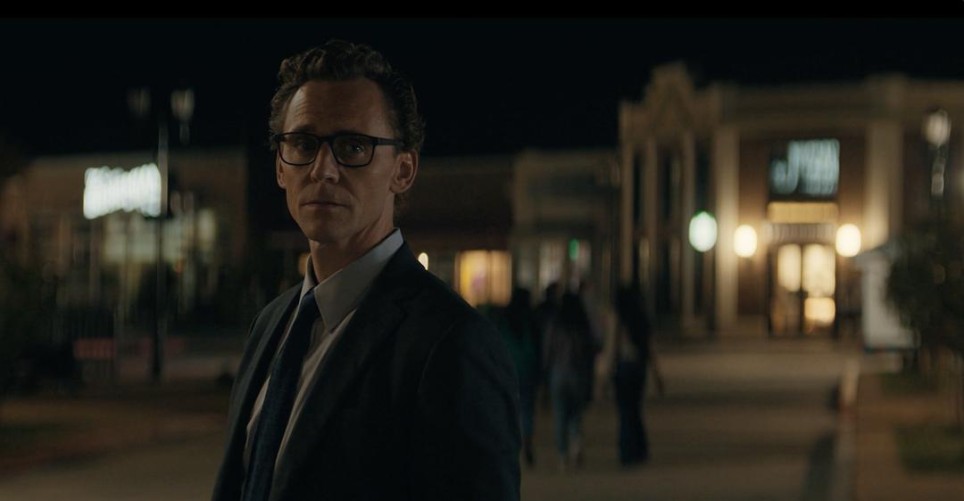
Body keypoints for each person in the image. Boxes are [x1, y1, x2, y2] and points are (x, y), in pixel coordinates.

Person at [211, 40, 521, 501]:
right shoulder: (272, 324)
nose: (323, 169)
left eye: (353, 146)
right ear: (279, 166)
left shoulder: (451, 344)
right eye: (303, 144)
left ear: (403, 170)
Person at [543, 290, 599, 470]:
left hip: (558, 373)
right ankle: (576, 443)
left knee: (560, 415)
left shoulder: (556, 324)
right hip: (577, 373)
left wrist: (544, 372)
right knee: (575, 413)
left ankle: (562, 455)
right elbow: (592, 349)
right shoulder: (582, 325)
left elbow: (547, 350)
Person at [612, 283, 664, 467]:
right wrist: (657, 375)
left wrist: (606, 376)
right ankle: (640, 448)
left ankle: (628, 450)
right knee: (635, 408)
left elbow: (613, 348)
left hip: (624, 367)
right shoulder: (641, 319)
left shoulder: (619, 320)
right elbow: (651, 349)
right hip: (638, 368)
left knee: (625, 411)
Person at [495, 286, 541, 467]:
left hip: (507, 368)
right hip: (528, 369)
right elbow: (538, 346)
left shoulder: (504, 318)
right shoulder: (531, 318)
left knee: (508, 409)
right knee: (527, 408)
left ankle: (511, 444)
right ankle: (526, 440)